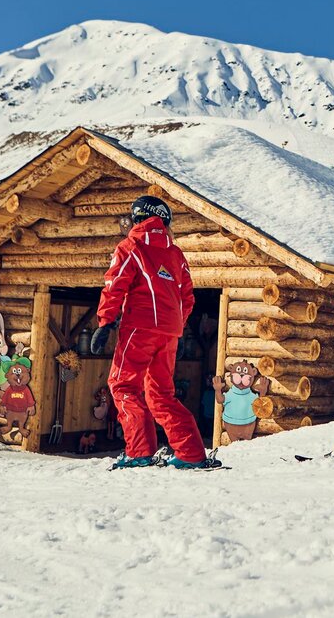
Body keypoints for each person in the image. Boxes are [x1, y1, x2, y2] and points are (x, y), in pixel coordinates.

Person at [90, 195, 213, 470]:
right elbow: (187, 297)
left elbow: (114, 285)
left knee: (123, 386)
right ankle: (190, 453)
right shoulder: (176, 254)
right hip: (168, 332)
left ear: (137, 218)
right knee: (161, 394)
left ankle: (139, 451)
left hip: (139, 328)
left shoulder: (130, 246)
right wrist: (178, 329)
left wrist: (106, 322)